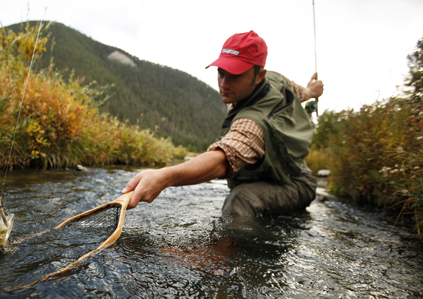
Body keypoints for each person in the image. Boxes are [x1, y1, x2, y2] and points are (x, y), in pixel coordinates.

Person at [122, 30, 324, 217]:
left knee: (241, 199)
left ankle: (225, 255)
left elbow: (224, 159)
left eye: (235, 75)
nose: (224, 84)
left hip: (295, 183)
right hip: (275, 173)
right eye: (221, 72)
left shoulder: (253, 125)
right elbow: (301, 93)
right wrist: (312, 91)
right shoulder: (276, 80)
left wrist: (165, 176)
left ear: (259, 76)